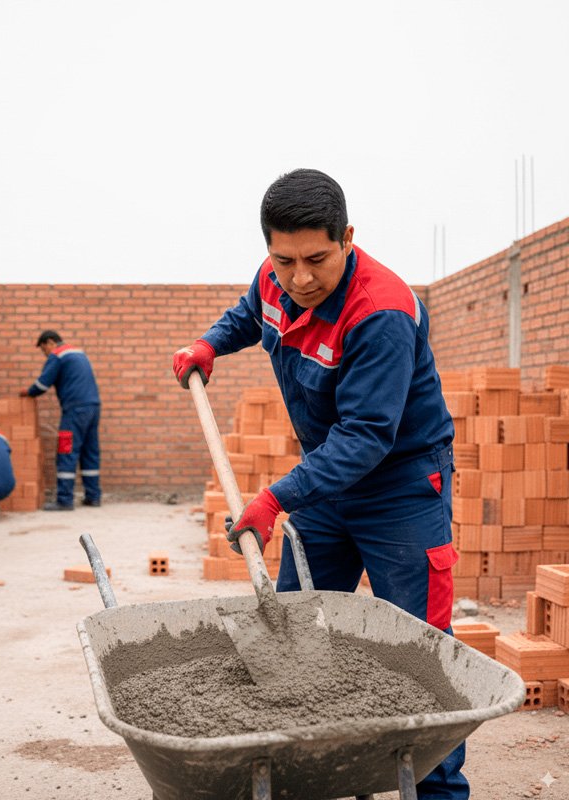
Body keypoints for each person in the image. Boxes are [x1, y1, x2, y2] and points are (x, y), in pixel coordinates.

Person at [172, 168, 466, 799]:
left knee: (420, 657)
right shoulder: (274, 278)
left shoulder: (380, 311)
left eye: (317, 260)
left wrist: (276, 498)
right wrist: (210, 344)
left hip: (400, 489)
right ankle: (307, 773)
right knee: (294, 639)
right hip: (327, 488)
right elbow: (251, 313)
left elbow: (365, 437)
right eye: (284, 261)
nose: (300, 278)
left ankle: (438, 792)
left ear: (348, 239)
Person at [20, 330, 101, 510]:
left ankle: (64, 500)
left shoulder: (58, 355)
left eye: (44, 350)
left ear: (50, 342)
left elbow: (43, 383)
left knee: (66, 451)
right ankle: (93, 496)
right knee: (90, 451)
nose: (45, 354)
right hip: (93, 407)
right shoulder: (79, 353)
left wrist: (28, 392)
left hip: (75, 410)